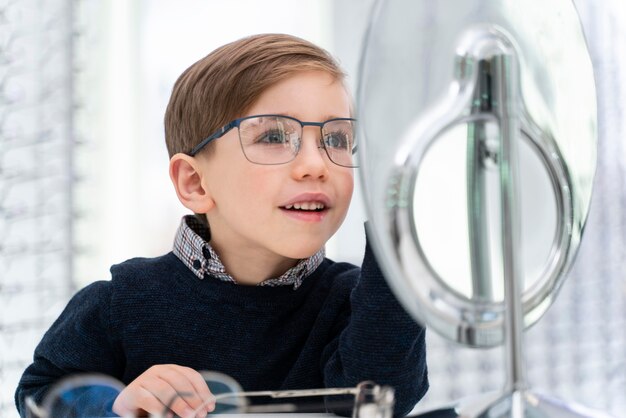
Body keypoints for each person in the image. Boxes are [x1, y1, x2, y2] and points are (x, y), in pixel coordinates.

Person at [15, 33, 428, 418]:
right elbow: (39, 393)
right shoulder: (121, 302)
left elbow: (386, 396)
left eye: (337, 140)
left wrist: (397, 219)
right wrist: (116, 405)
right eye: (273, 137)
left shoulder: (358, 303)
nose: (316, 166)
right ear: (195, 183)